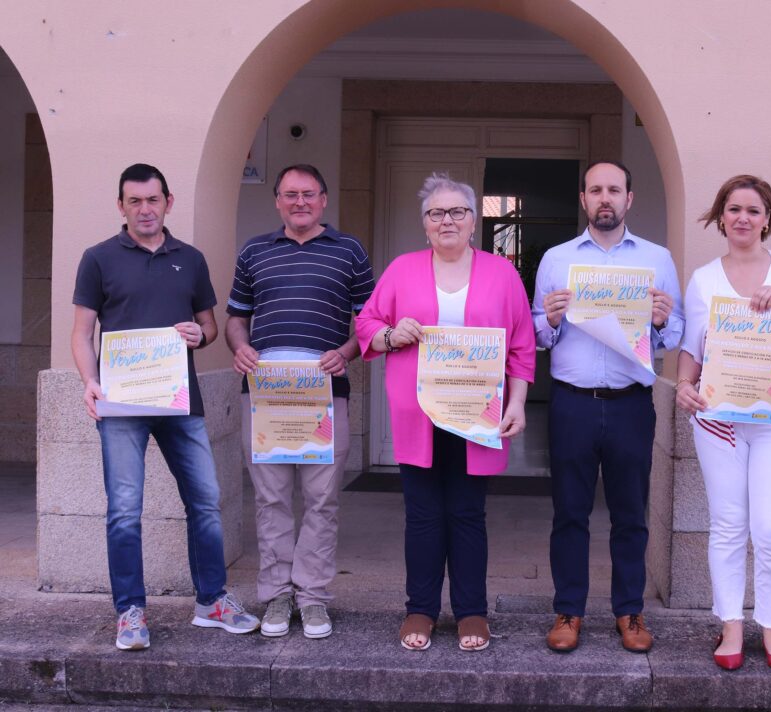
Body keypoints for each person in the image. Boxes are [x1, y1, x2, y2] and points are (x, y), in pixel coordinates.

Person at [72, 163, 259, 651]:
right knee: (124, 510)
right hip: (121, 404)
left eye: (152, 200)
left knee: (206, 501)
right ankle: (130, 612)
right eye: (134, 201)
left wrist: (201, 334)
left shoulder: (190, 259)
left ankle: (212, 601)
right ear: (121, 206)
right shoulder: (98, 258)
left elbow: (209, 326)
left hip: (180, 402)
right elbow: (81, 333)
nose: (144, 209)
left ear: (168, 202)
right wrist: (90, 381)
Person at [355, 173, 535, 652]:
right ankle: (420, 608)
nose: (447, 220)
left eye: (457, 211)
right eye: (437, 213)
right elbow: (367, 323)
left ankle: (472, 611)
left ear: (474, 221)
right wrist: (391, 335)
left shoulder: (502, 273)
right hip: (419, 415)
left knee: (468, 513)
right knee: (422, 515)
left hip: (478, 416)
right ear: (425, 224)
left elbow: (521, 344)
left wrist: (517, 402)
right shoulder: (402, 270)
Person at [674, 175, 771, 672]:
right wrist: (683, 385)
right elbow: (692, 348)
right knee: (727, 523)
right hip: (717, 416)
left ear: (767, 219)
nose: (743, 218)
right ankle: (731, 625)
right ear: (721, 217)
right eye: (734, 209)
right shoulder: (704, 278)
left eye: (754, 210)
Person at [532, 160, 683, 653]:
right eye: (595, 190)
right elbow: (536, 333)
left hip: (630, 405)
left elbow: (676, 333)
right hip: (572, 404)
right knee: (569, 513)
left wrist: (660, 321)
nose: (605, 198)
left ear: (628, 199)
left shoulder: (657, 259)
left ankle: (629, 611)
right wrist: (551, 320)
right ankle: (568, 610)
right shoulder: (556, 259)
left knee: (631, 515)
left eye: (614, 190)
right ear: (583, 199)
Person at [225, 164, 374, 639]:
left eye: (308, 194)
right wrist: (239, 347)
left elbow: (369, 321)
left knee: (321, 501)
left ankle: (312, 597)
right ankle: (276, 595)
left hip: (324, 397)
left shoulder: (350, 251)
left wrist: (345, 353)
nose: (300, 202)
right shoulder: (254, 251)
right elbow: (236, 318)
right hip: (265, 397)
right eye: (290, 194)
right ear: (278, 202)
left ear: (324, 199)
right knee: (270, 499)